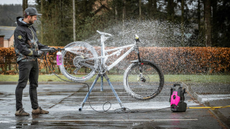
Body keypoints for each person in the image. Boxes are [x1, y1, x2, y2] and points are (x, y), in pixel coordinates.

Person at [14, 7, 56, 116]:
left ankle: (36, 108)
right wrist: (35, 53)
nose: (36, 19)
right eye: (34, 17)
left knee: (34, 84)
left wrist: (48, 48)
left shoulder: (31, 28)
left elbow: (37, 44)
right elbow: (22, 48)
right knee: (21, 84)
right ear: (28, 16)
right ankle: (19, 109)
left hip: (33, 60)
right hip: (24, 61)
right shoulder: (19, 30)